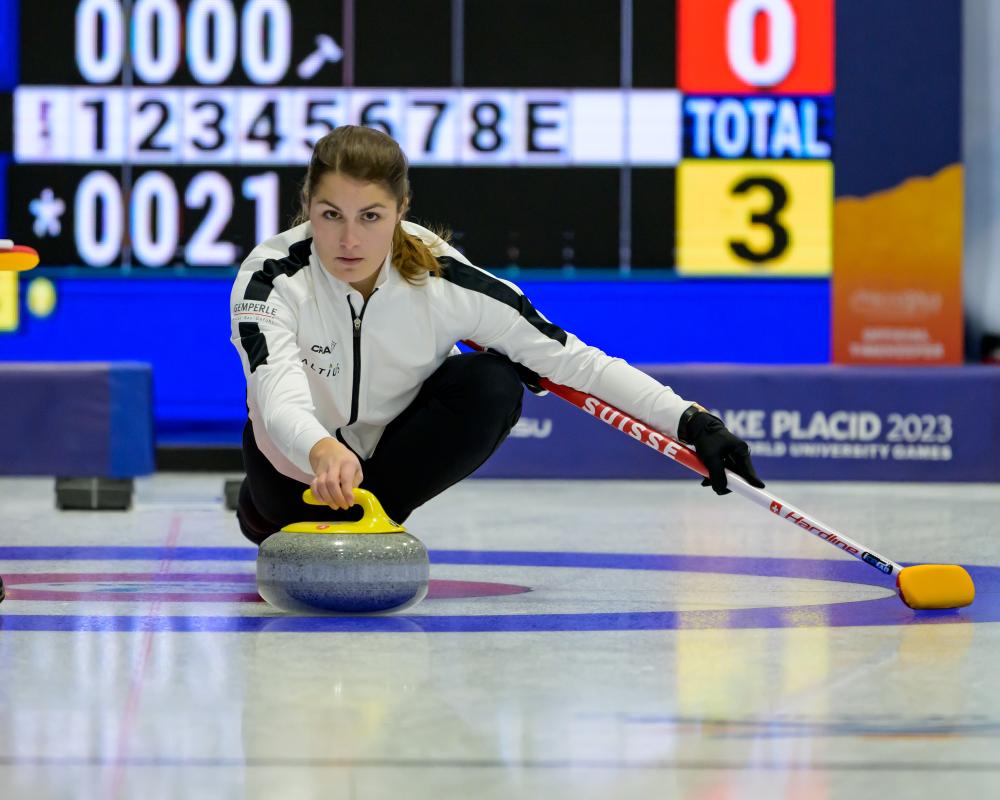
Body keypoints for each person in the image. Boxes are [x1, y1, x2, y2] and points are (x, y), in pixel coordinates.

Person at [230, 126, 764, 545]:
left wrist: (693, 422)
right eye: (331, 216)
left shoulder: (443, 279)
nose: (349, 239)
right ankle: (259, 512)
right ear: (307, 211)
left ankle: (376, 519)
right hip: (292, 472)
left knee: (493, 381)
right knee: (274, 493)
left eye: (370, 216)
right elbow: (276, 391)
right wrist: (320, 448)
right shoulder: (271, 277)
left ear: (400, 211)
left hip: (383, 475)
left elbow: (573, 361)